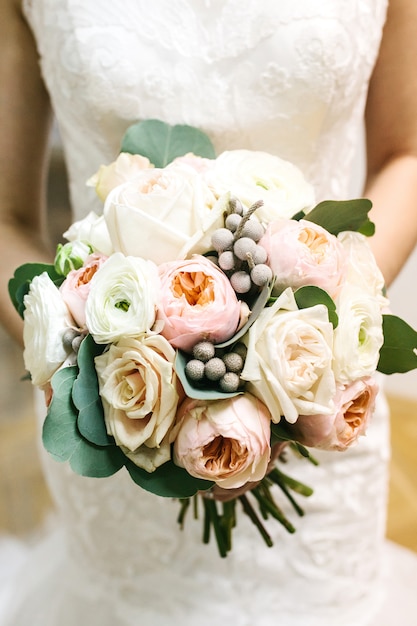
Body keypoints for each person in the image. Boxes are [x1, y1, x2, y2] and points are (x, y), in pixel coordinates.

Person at [1, 1, 417, 625]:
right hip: (122, 415)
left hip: (317, 395)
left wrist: (314, 340)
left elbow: (406, 153)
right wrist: (95, 367)